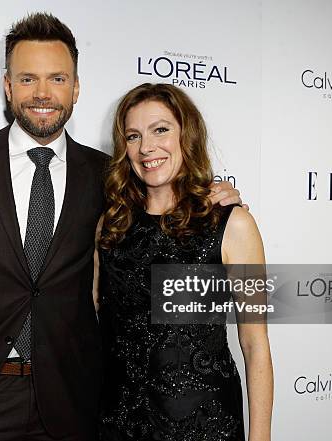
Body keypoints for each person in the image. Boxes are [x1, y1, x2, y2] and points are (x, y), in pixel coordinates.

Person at [0, 13, 243, 441]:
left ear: (76, 88)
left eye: (58, 79)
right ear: (8, 86)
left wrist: (218, 198)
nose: (43, 93)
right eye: (28, 79)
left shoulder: (111, 176)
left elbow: (166, 217)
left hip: (72, 400)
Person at [96, 83, 273, 441]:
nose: (147, 147)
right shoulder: (111, 226)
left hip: (204, 426)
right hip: (120, 425)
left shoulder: (231, 225)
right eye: (133, 136)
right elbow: (96, 318)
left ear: (186, 135)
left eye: (161, 129)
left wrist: (261, 437)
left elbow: (255, 344)